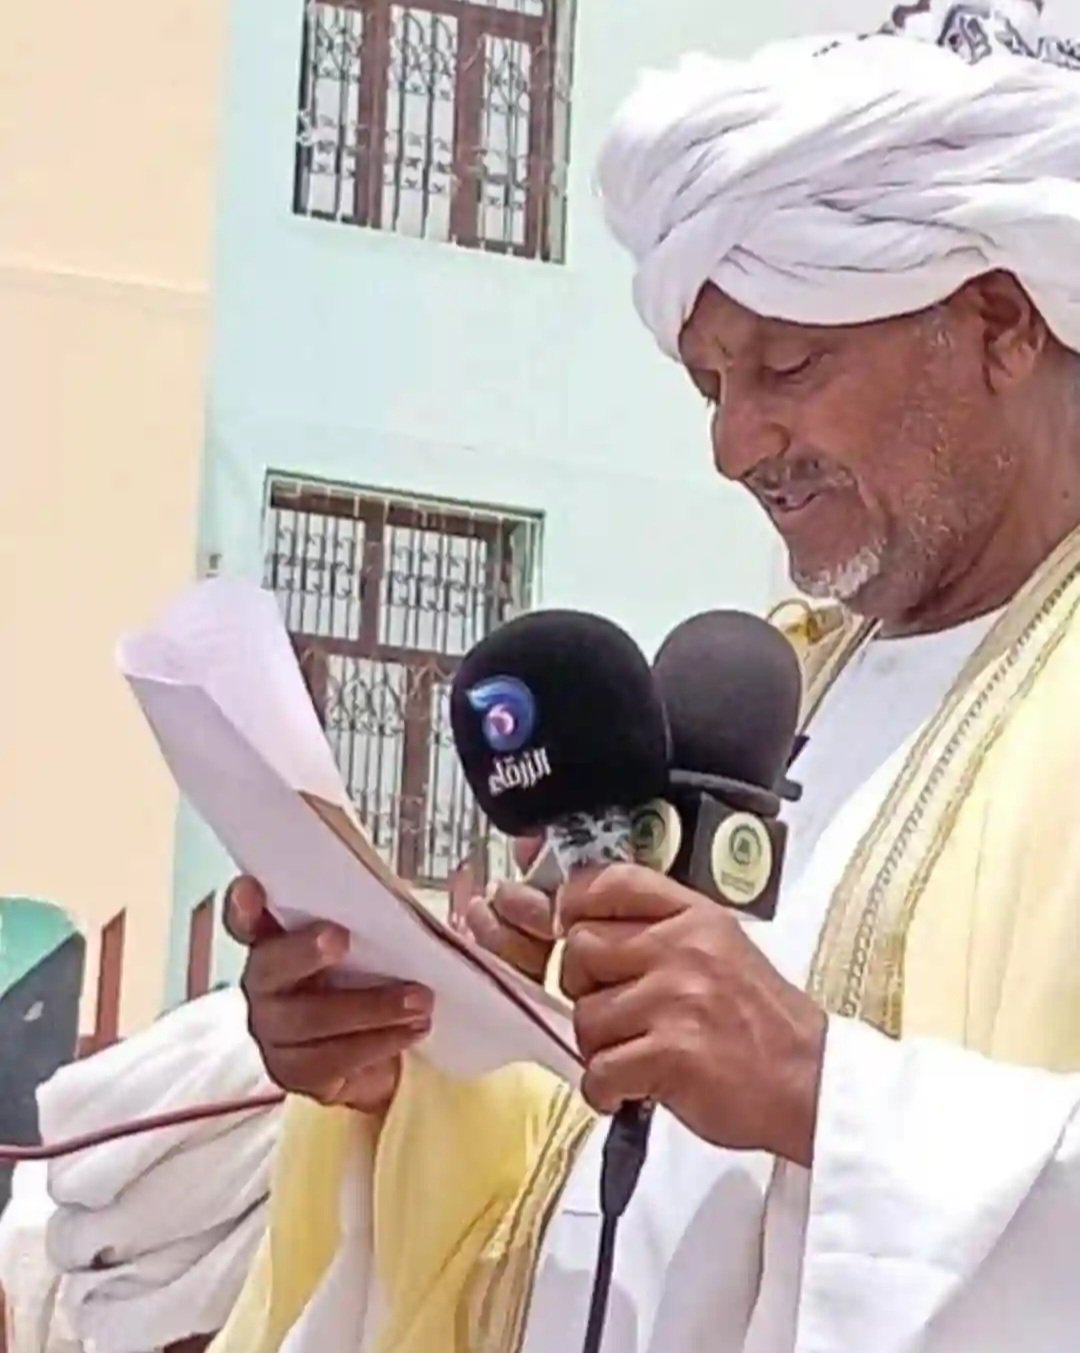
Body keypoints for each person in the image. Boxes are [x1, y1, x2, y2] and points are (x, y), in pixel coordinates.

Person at [212, 4, 1080, 1350]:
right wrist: (420, 1056)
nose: (736, 445)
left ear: (1003, 323)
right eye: (711, 386)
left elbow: (786, 1101)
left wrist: (819, 1090)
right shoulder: (776, 688)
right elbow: (621, 1206)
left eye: (787, 366)